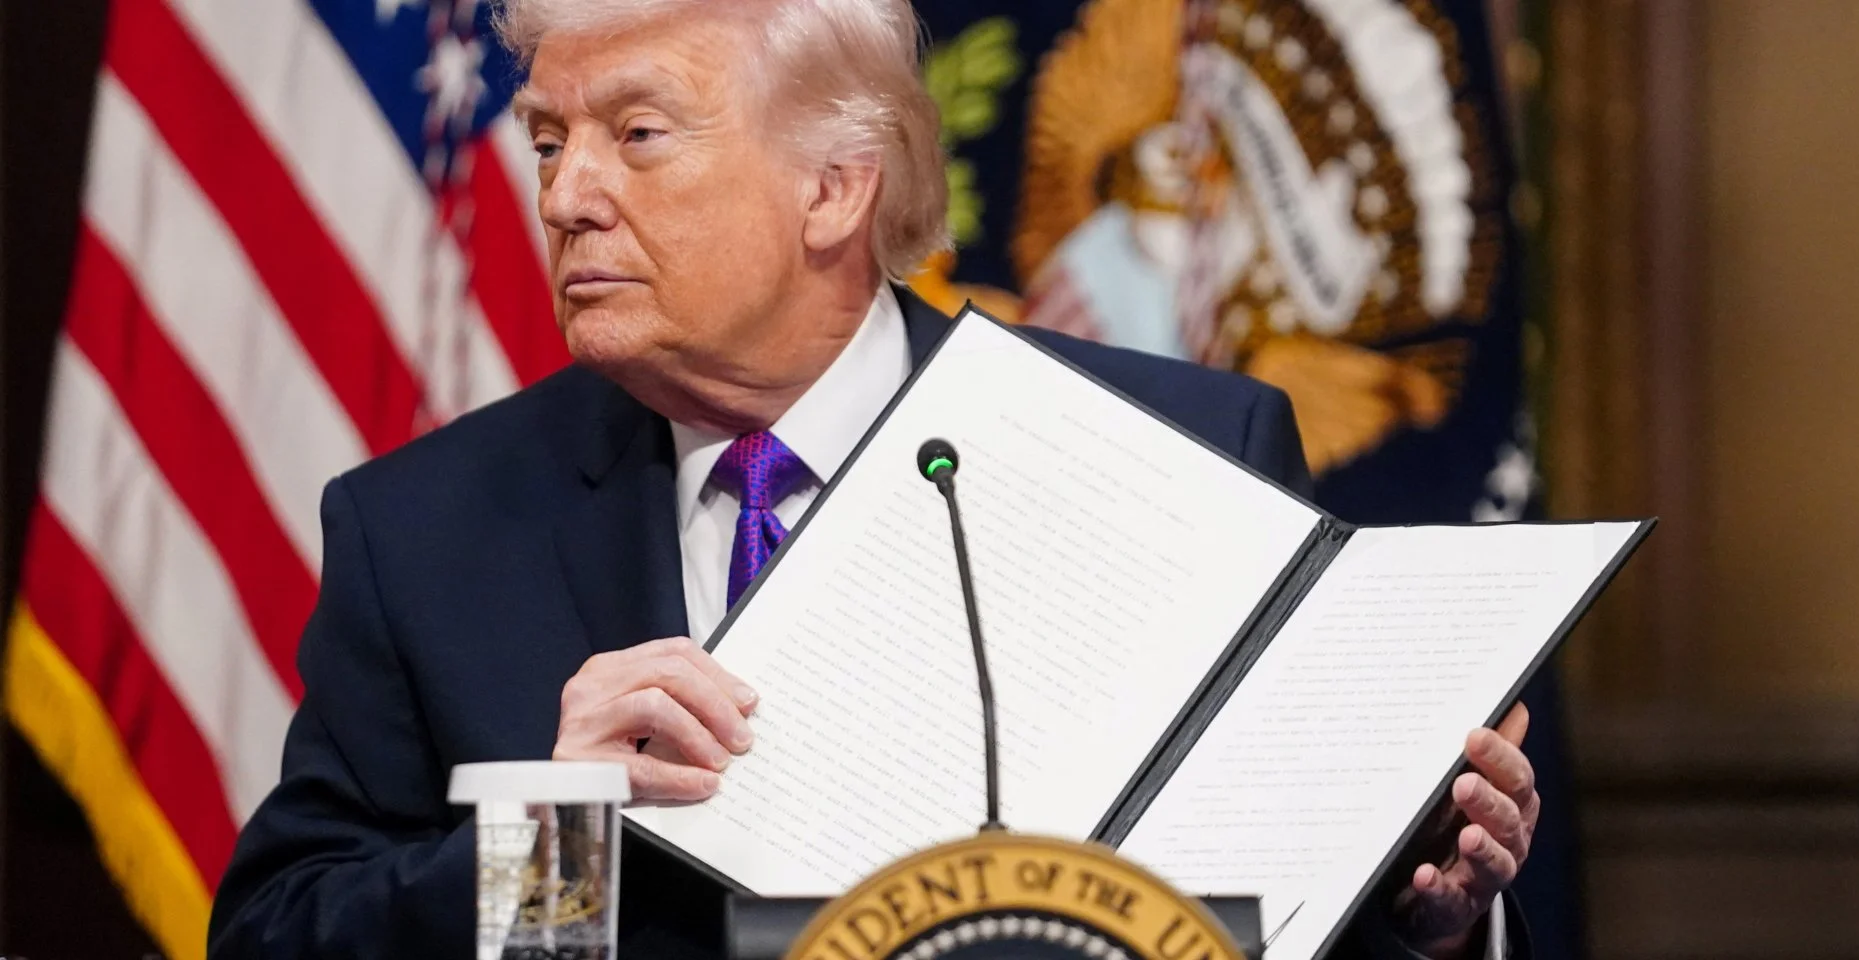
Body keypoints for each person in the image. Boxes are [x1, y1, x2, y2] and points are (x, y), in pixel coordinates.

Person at [207, 1, 1542, 958]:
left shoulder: (1183, 455)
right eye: (551, 141)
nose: (565, 197)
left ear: (835, 190)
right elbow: (275, 930)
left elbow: (1293, 907)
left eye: (639, 133)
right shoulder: (426, 530)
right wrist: (556, 846)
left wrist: (1429, 917)